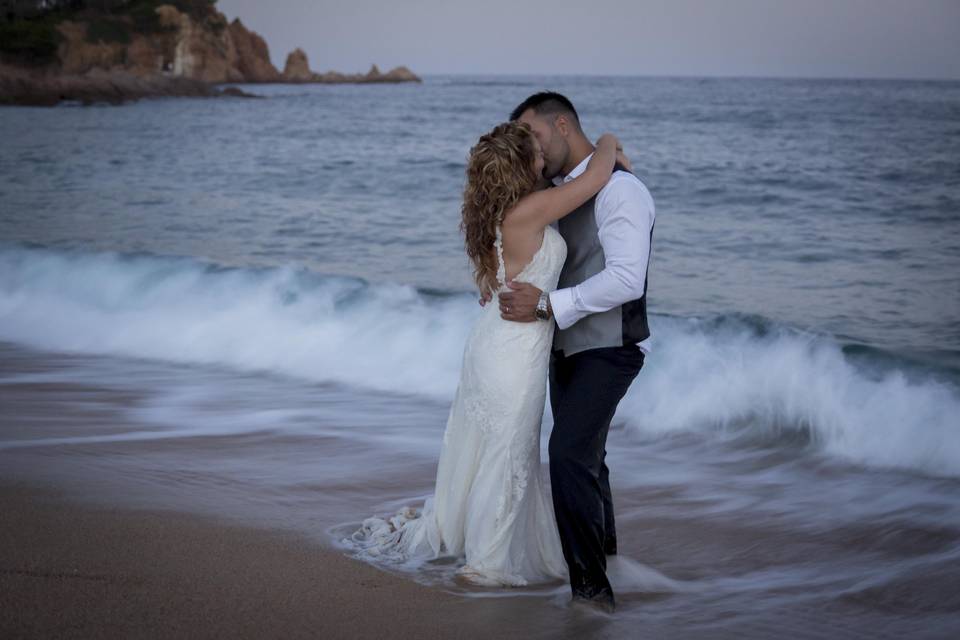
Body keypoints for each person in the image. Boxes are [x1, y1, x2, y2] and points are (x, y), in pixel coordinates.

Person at [349, 120, 624, 592]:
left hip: (495, 344)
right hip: (513, 354)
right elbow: (596, 178)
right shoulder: (531, 210)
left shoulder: (496, 215)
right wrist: (609, 142)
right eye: (536, 153)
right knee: (507, 452)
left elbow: (495, 280)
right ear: (522, 168)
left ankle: (478, 539)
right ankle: (489, 560)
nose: (544, 157)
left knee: (492, 448)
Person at [495, 92, 656, 611]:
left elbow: (627, 278)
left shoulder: (622, 191)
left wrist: (548, 305)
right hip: (561, 348)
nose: (529, 149)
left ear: (562, 125)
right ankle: (607, 558)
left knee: (566, 456)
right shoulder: (557, 188)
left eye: (534, 135)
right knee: (588, 458)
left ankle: (591, 593)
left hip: (609, 349)